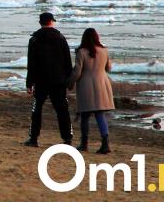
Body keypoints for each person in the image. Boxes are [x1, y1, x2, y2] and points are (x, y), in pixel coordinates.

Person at [24, 12, 73, 147]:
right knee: (62, 110)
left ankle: (33, 138)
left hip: (40, 80)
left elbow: (31, 63)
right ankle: (67, 139)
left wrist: (29, 83)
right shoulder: (60, 38)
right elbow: (67, 61)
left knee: (37, 109)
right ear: (51, 22)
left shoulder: (34, 39)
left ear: (40, 23)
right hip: (58, 80)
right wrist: (69, 81)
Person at [67, 27, 115, 154]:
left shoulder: (81, 52)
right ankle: (105, 143)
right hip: (102, 84)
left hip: (86, 85)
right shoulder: (104, 50)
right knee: (100, 115)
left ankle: (84, 143)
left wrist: (69, 83)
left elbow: (77, 72)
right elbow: (109, 68)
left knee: (85, 116)